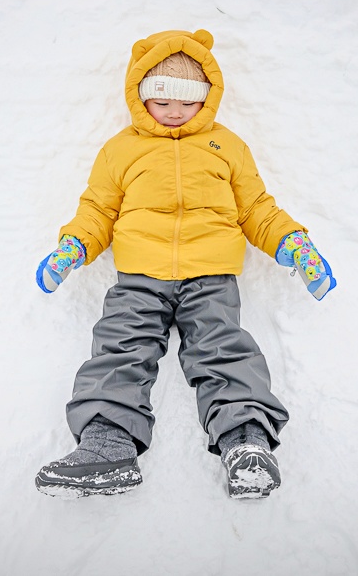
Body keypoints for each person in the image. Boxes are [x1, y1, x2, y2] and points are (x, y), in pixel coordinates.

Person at [33, 29, 335, 499]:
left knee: (223, 347)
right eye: (162, 100)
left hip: (210, 276)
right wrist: (73, 246)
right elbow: (98, 209)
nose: (175, 111)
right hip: (140, 276)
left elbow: (256, 208)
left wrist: (294, 244)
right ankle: (106, 445)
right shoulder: (122, 149)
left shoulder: (226, 146)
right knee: (120, 344)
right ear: (139, 96)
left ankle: (246, 443)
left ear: (208, 97)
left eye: (188, 101)